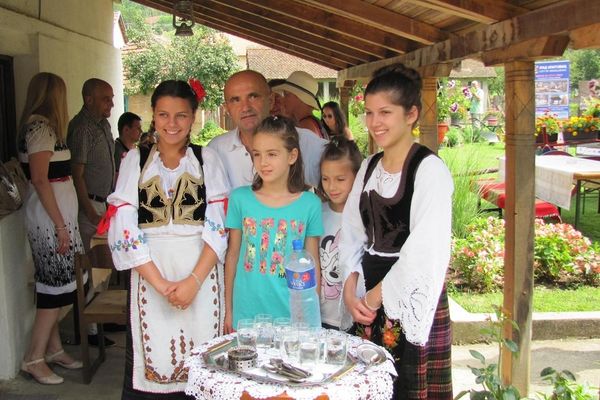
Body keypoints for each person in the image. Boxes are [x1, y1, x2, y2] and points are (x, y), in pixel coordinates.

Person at [105, 80, 229, 398]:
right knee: (154, 358)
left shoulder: (207, 159)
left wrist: (193, 282)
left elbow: (219, 227)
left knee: (204, 364)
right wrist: (160, 285)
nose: (172, 123)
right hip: (151, 272)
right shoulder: (136, 160)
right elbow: (124, 224)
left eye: (181, 115)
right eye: (163, 114)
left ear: (193, 117)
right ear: (154, 115)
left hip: (201, 272)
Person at [340, 64, 454, 398]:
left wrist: (374, 297)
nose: (375, 122)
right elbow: (352, 231)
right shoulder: (369, 166)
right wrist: (350, 288)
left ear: (411, 114)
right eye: (369, 112)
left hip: (409, 295)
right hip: (366, 294)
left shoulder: (429, 170)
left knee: (406, 387)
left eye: (385, 112)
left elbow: (424, 252)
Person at [223, 116, 323, 333]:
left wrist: (311, 317)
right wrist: (229, 310)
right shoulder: (239, 199)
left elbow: (312, 263)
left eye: (272, 154)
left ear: (292, 156)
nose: (263, 162)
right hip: (246, 316)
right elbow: (232, 255)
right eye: (257, 154)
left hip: (292, 318)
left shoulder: (310, 204)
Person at [17, 72, 84, 385]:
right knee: (53, 288)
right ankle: (33, 358)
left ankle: (54, 349)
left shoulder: (42, 128)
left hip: (56, 220)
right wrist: (59, 225)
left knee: (57, 285)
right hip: (49, 223)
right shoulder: (41, 129)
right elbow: (41, 179)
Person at [208, 70, 326, 189]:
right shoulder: (216, 150)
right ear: (227, 108)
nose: (245, 108)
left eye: (253, 97)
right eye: (236, 100)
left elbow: (337, 185)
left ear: (271, 101)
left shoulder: (304, 141)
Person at [66, 78, 116, 347]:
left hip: (104, 204)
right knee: (95, 264)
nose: (111, 104)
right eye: (106, 99)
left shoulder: (102, 124)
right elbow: (77, 174)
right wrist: (90, 211)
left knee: (104, 264)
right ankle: (91, 328)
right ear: (89, 99)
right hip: (92, 206)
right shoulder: (83, 128)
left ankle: (102, 316)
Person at [318, 137, 362, 330]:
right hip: (321, 316)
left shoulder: (364, 217)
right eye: (325, 179)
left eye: (340, 179)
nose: (332, 187)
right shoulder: (317, 213)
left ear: (357, 176)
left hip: (356, 316)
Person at [272, 71, 329, 139]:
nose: (283, 100)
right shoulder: (311, 123)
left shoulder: (306, 127)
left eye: (286, 94)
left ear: (299, 97)